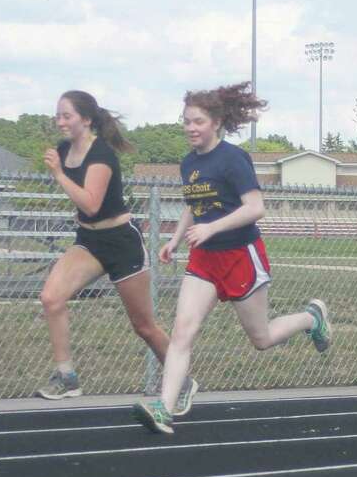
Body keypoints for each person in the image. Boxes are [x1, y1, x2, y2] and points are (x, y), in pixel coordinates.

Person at [132, 82, 332, 434]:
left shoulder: (233, 159)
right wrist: (175, 239)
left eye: (197, 121)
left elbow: (256, 208)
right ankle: (164, 407)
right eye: (186, 121)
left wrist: (213, 228)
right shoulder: (189, 163)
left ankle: (310, 318)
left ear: (216, 123)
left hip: (241, 256)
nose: (190, 128)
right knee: (182, 332)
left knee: (262, 339)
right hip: (204, 260)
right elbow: (195, 208)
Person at [36, 91, 194, 413]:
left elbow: (91, 203)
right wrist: (61, 171)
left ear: (86, 120)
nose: (60, 122)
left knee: (144, 326)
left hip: (121, 242)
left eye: (66, 116)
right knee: (51, 298)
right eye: (58, 116)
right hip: (89, 241)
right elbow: (86, 212)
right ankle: (67, 376)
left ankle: (184, 381)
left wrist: (58, 175)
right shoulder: (65, 149)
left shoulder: (102, 155)